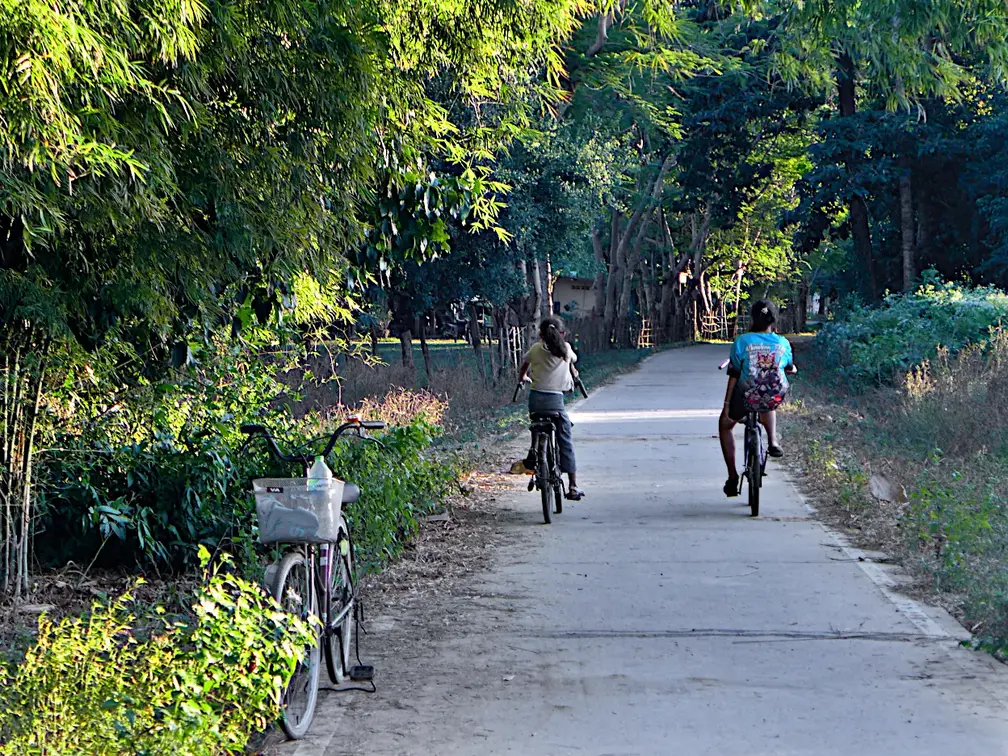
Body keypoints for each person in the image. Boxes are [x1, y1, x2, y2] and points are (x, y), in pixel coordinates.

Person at [719, 299, 798, 497]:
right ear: (774, 320)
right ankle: (772, 441)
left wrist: (727, 405)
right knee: (767, 395)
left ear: (753, 318)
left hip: (746, 392)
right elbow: (788, 366)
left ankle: (732, 477)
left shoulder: (742, 341)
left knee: (725, 425)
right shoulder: (782, 343)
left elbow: (734, 374)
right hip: (774, 393)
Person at [517, 316, 585, 501]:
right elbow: (573, 362)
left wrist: (522, 378)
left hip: (536, 400)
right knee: (565, 439)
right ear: (562, 334)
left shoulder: (536, 349)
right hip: (556, 401)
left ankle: (534, 451)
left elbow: (524, 366)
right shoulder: (566, 349)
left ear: (541, 334)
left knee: (536, 424)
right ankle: (572, 486)